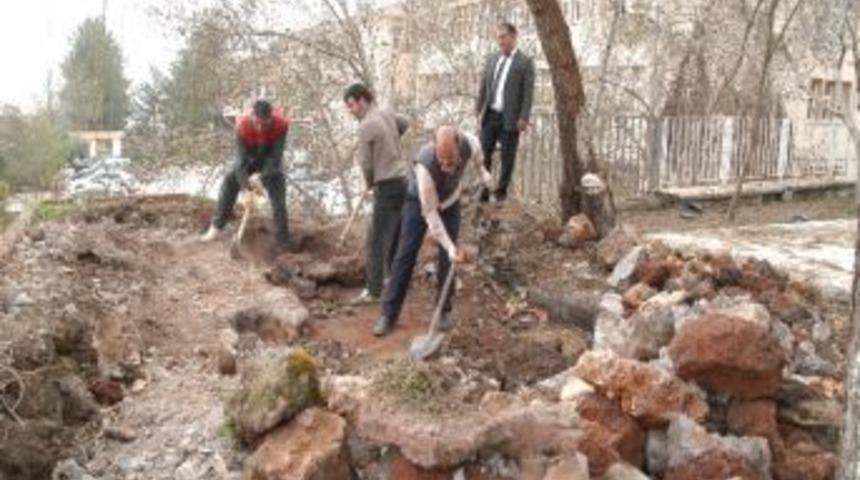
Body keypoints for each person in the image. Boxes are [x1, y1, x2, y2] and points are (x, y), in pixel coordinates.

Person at [373, 126, 492, 337]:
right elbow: (431, 217)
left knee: (449, 260)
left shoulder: (469, 142)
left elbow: (478, 153)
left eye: (452, 160)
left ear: (458, 147)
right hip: (418, 204)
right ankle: (388, 314)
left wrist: (482, 172)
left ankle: (443, 311)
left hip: (451, 202)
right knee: (406, 254)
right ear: (434, 148)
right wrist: (448, 246)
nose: (446, 166)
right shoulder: (425, 168)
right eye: (442, 159)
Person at [344, 83, 410, 305]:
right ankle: (396, 280)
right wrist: (390, 144)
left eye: (352, 105)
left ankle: (373, 291)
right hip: (403, 182)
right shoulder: (386, 112)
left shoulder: (365, 126)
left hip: (387, 185)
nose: (351, 110)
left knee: (374, 241)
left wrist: (370, 183)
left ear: (362, 100)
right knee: (395, 235)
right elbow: (405, 124)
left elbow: (366, 164)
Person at [202, 99, 291, 252]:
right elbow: (240, 160)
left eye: (265, 123)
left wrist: (261, 178)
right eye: (257, 123)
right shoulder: (242, 125)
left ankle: (282, 241)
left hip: (270, 164)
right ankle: (216, 226)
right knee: (230, 180)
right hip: (249, 160)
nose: (261, 127)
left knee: (278, 195)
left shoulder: (281, 125)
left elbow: (276, 158)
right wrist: (246, 188)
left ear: (271, 118)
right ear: (252, 117)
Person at [475, 22, 535, 203]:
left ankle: (501, 193)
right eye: (498, 37)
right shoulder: (492, 58)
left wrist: (524, 117)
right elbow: (484, 84)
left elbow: (528, 93)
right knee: (483, 154)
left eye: (503, 37)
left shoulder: (524, 62)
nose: (500, 41)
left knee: (508, 158)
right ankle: (484, 190)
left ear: (513, 37)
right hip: (490, 115)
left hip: (510, 119)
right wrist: (478, 107)